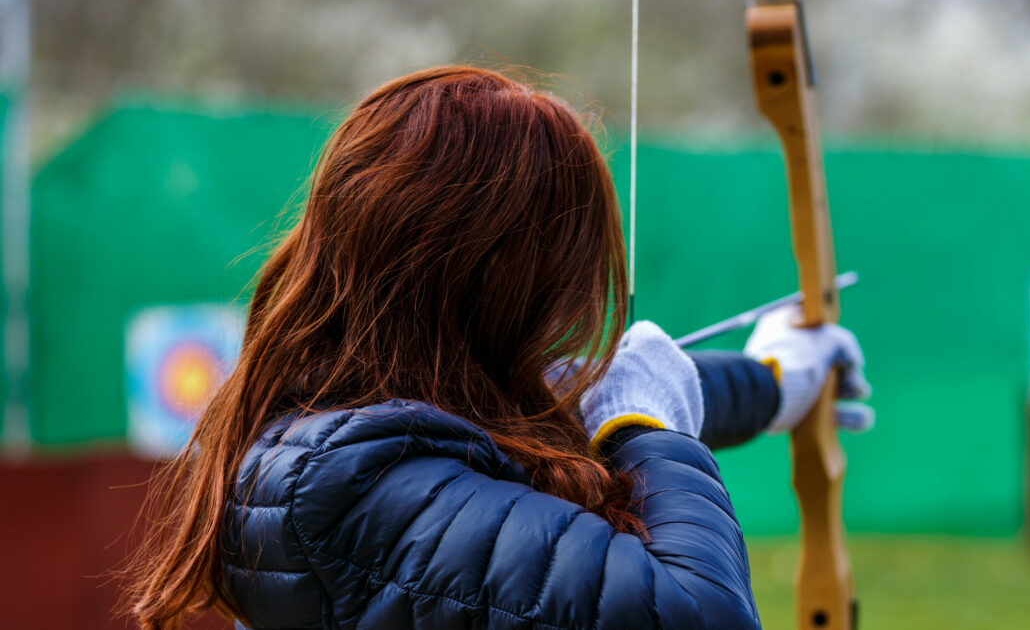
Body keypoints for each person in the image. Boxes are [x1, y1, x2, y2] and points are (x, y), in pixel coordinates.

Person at [127, 65, 872, 630]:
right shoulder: (363, 488)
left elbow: (579, 399)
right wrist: (648, 425)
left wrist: (780, 378)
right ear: (500, 286)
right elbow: (697, 612)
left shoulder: (349, 422)